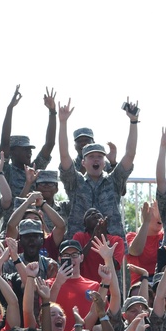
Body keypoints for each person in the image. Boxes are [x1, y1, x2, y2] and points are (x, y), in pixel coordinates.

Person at [58, 97, 138, 238]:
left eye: (100, 156)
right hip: (80, 245)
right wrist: (63, 123)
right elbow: (64, 156)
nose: (96, 159)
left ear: (104, 161)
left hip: (111, 243)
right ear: (83, 162)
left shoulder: (113, 180)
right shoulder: (76, 182)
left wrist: (133, 122)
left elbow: (130, 155)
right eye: (91, 156)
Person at [0, 85, 57, 195]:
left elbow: (50, 144)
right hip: (13, 212)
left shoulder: (34, 169)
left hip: (34, 212)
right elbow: (5, 142)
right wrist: (10, 108)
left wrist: (52, 112)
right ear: (12, 152)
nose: (29, 152)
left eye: (29, 149)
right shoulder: (5, 170)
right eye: (24, 149)